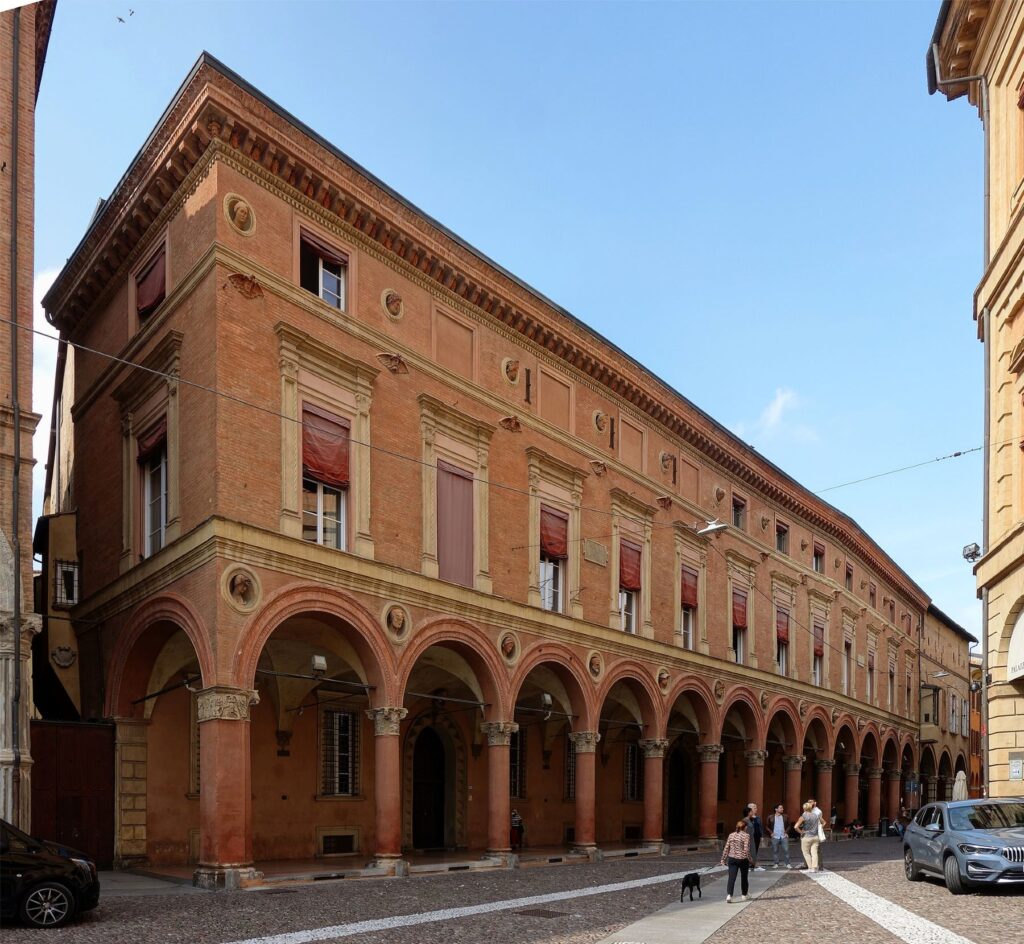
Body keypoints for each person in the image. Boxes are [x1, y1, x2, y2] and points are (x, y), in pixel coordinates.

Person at [720, 819, 755, 903]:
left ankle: (729, 895)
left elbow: (726, 847)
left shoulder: (731, 835)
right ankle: (744, 894)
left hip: (732, 858)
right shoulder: (746, 836)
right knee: (744, 877)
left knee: (731, 878)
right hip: (743, 859)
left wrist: (723, 859)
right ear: (745, 827)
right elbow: (746, 850)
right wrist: (751, 860)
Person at [795, 800, 822, 872]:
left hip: (806, 836)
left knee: (806, 852)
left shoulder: (803, 816)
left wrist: (801, 832)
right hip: (816, 837)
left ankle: (810, 868)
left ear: (804, 809)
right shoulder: (816, 815)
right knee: (814, 853)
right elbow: (822, 823)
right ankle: (815, 868)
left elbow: (795, 827)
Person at [766, 803, 791, 869]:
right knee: (775, 850)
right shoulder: (770, 817)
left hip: (783, 836)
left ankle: (787, 863)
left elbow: (789, 825)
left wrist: (786, 832)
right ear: (776, 809)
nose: (782, 809)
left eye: (782, 808)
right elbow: (767, 826)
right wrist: (771, 833)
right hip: (775, 836)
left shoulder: (785, 816)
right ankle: (776, 863)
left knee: (786, 850)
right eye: (780, 808)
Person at [743, 803, 764, 870]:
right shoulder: (746, 819)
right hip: (750, 837)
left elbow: (760, 827)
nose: (756, 809)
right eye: (754, 807)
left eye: (756, 807)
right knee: (749, 850)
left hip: (757, 836)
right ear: (749, 809)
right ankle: (748, 864)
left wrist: (761, 836)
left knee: (755, 850)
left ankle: (752, 864)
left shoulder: (758, 818)